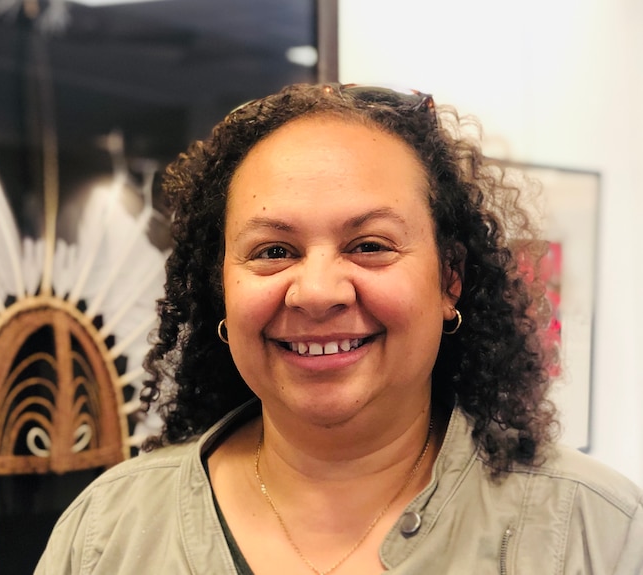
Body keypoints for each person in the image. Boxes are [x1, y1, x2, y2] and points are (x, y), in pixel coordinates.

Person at [35, 83, 643, 574]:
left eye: (370, 245)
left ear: (449, 279)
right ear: (221, 287)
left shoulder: (596, 532)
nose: (318, 292)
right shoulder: (105, 536)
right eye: (273, 251)